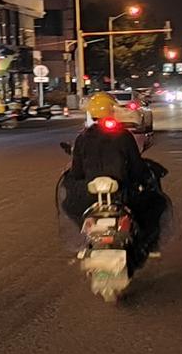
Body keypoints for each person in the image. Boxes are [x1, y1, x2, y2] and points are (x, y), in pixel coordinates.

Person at [61, 94, 167, 267]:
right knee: (155, 203)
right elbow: (136, 167)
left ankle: (89, 237)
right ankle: (150, 245)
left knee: (69, 204)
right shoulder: (123, 136)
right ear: (112, 110)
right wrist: (144, 178)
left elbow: (77, 172)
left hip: (90, 197)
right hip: (123, 194)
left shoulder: (82, 138)